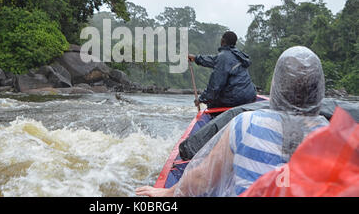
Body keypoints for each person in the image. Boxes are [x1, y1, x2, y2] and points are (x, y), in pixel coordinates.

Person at [136, 46, 330, 197]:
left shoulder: (246, 124)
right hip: (246, 100)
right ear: (318, 90)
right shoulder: (338, 140)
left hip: (233, 105)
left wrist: (169, 193)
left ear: (277, 86)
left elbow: (202, 178)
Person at [188, 31, 257, 109]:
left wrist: (201, 99)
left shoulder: (223, 57)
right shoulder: (238, 55)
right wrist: (195, 58)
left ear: (222, 41)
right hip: (250, 95)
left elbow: (215, 86)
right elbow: (213, 60)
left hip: (236, 99)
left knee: (212, 104)